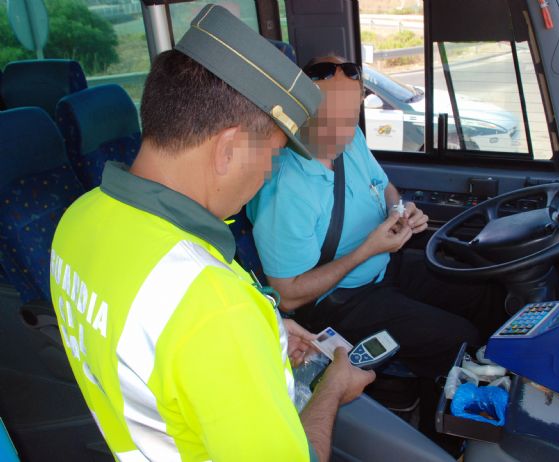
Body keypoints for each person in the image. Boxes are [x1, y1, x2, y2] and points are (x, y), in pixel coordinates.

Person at [49, 7, 374, 462]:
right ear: (230, 147)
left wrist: (268, 332)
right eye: (273, 154)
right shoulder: (211, 303)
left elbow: (147, 334)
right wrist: (333, 389)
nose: (267, 173)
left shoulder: (79, 219)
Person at [247, 55, 506, 434]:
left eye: (351, 115)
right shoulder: (284, 187)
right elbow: (288, 296)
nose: (342, 131)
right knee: (457, 339)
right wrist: (368, 249)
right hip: (340, 301)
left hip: (384, 263)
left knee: (484, 290)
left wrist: (402, 211)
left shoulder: (351, 141)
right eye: (329, 118)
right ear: (299, 109)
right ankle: (443, 435)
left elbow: (384, 186)